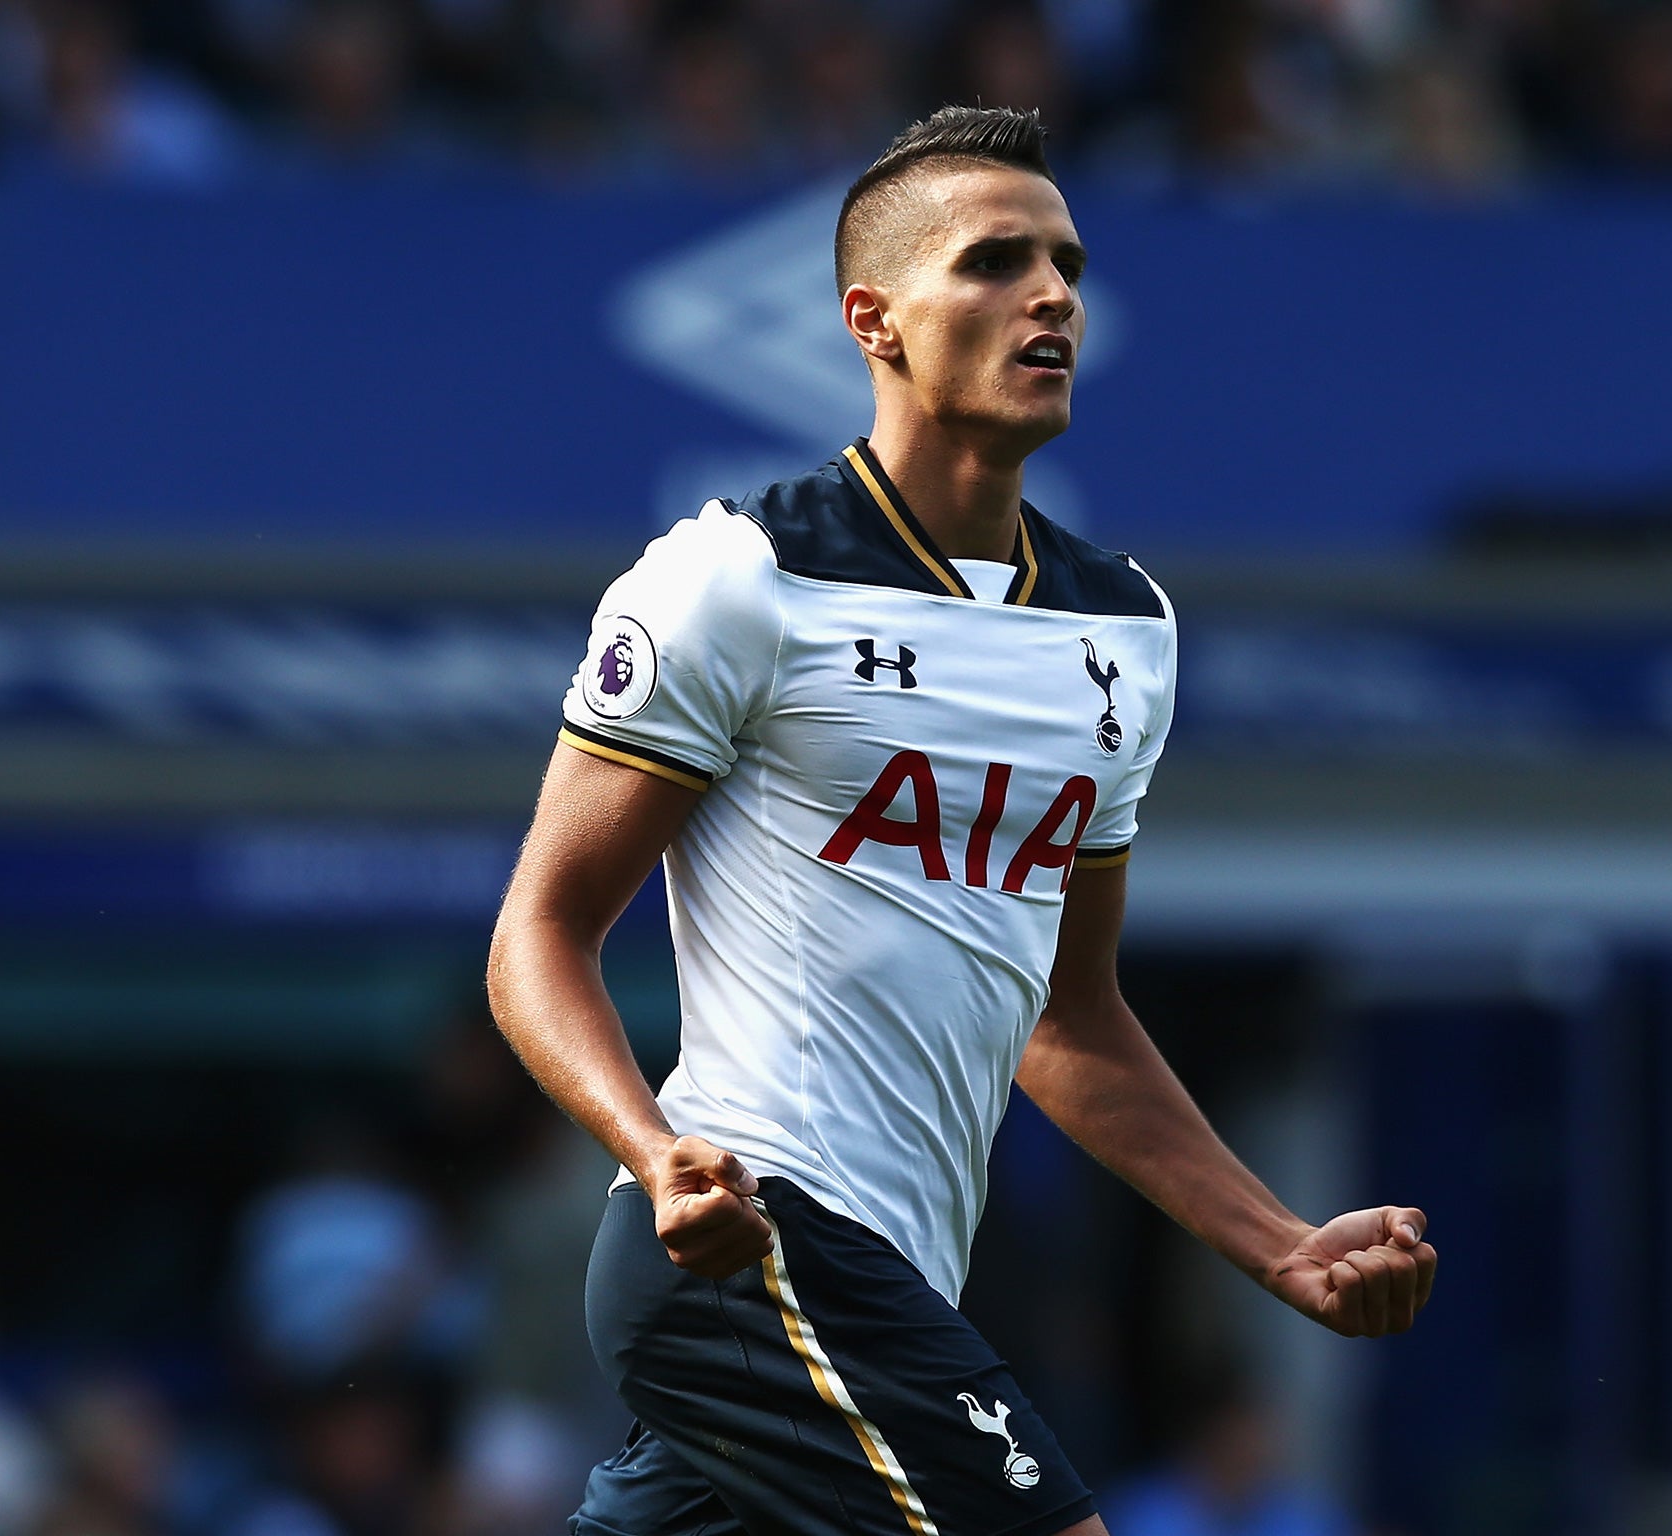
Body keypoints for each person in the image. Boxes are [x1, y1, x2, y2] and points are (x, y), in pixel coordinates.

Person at [486, 104, 1438, 1536]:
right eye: (995, 262)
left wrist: (1280, 1246)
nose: (1051, 294)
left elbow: (1070, 1019)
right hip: (761, 1243)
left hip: (882, 1282)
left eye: (1065, 262)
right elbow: (538, 938)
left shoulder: (1126, 633)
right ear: (874, 319)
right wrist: (651, 1146)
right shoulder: (739, 579)